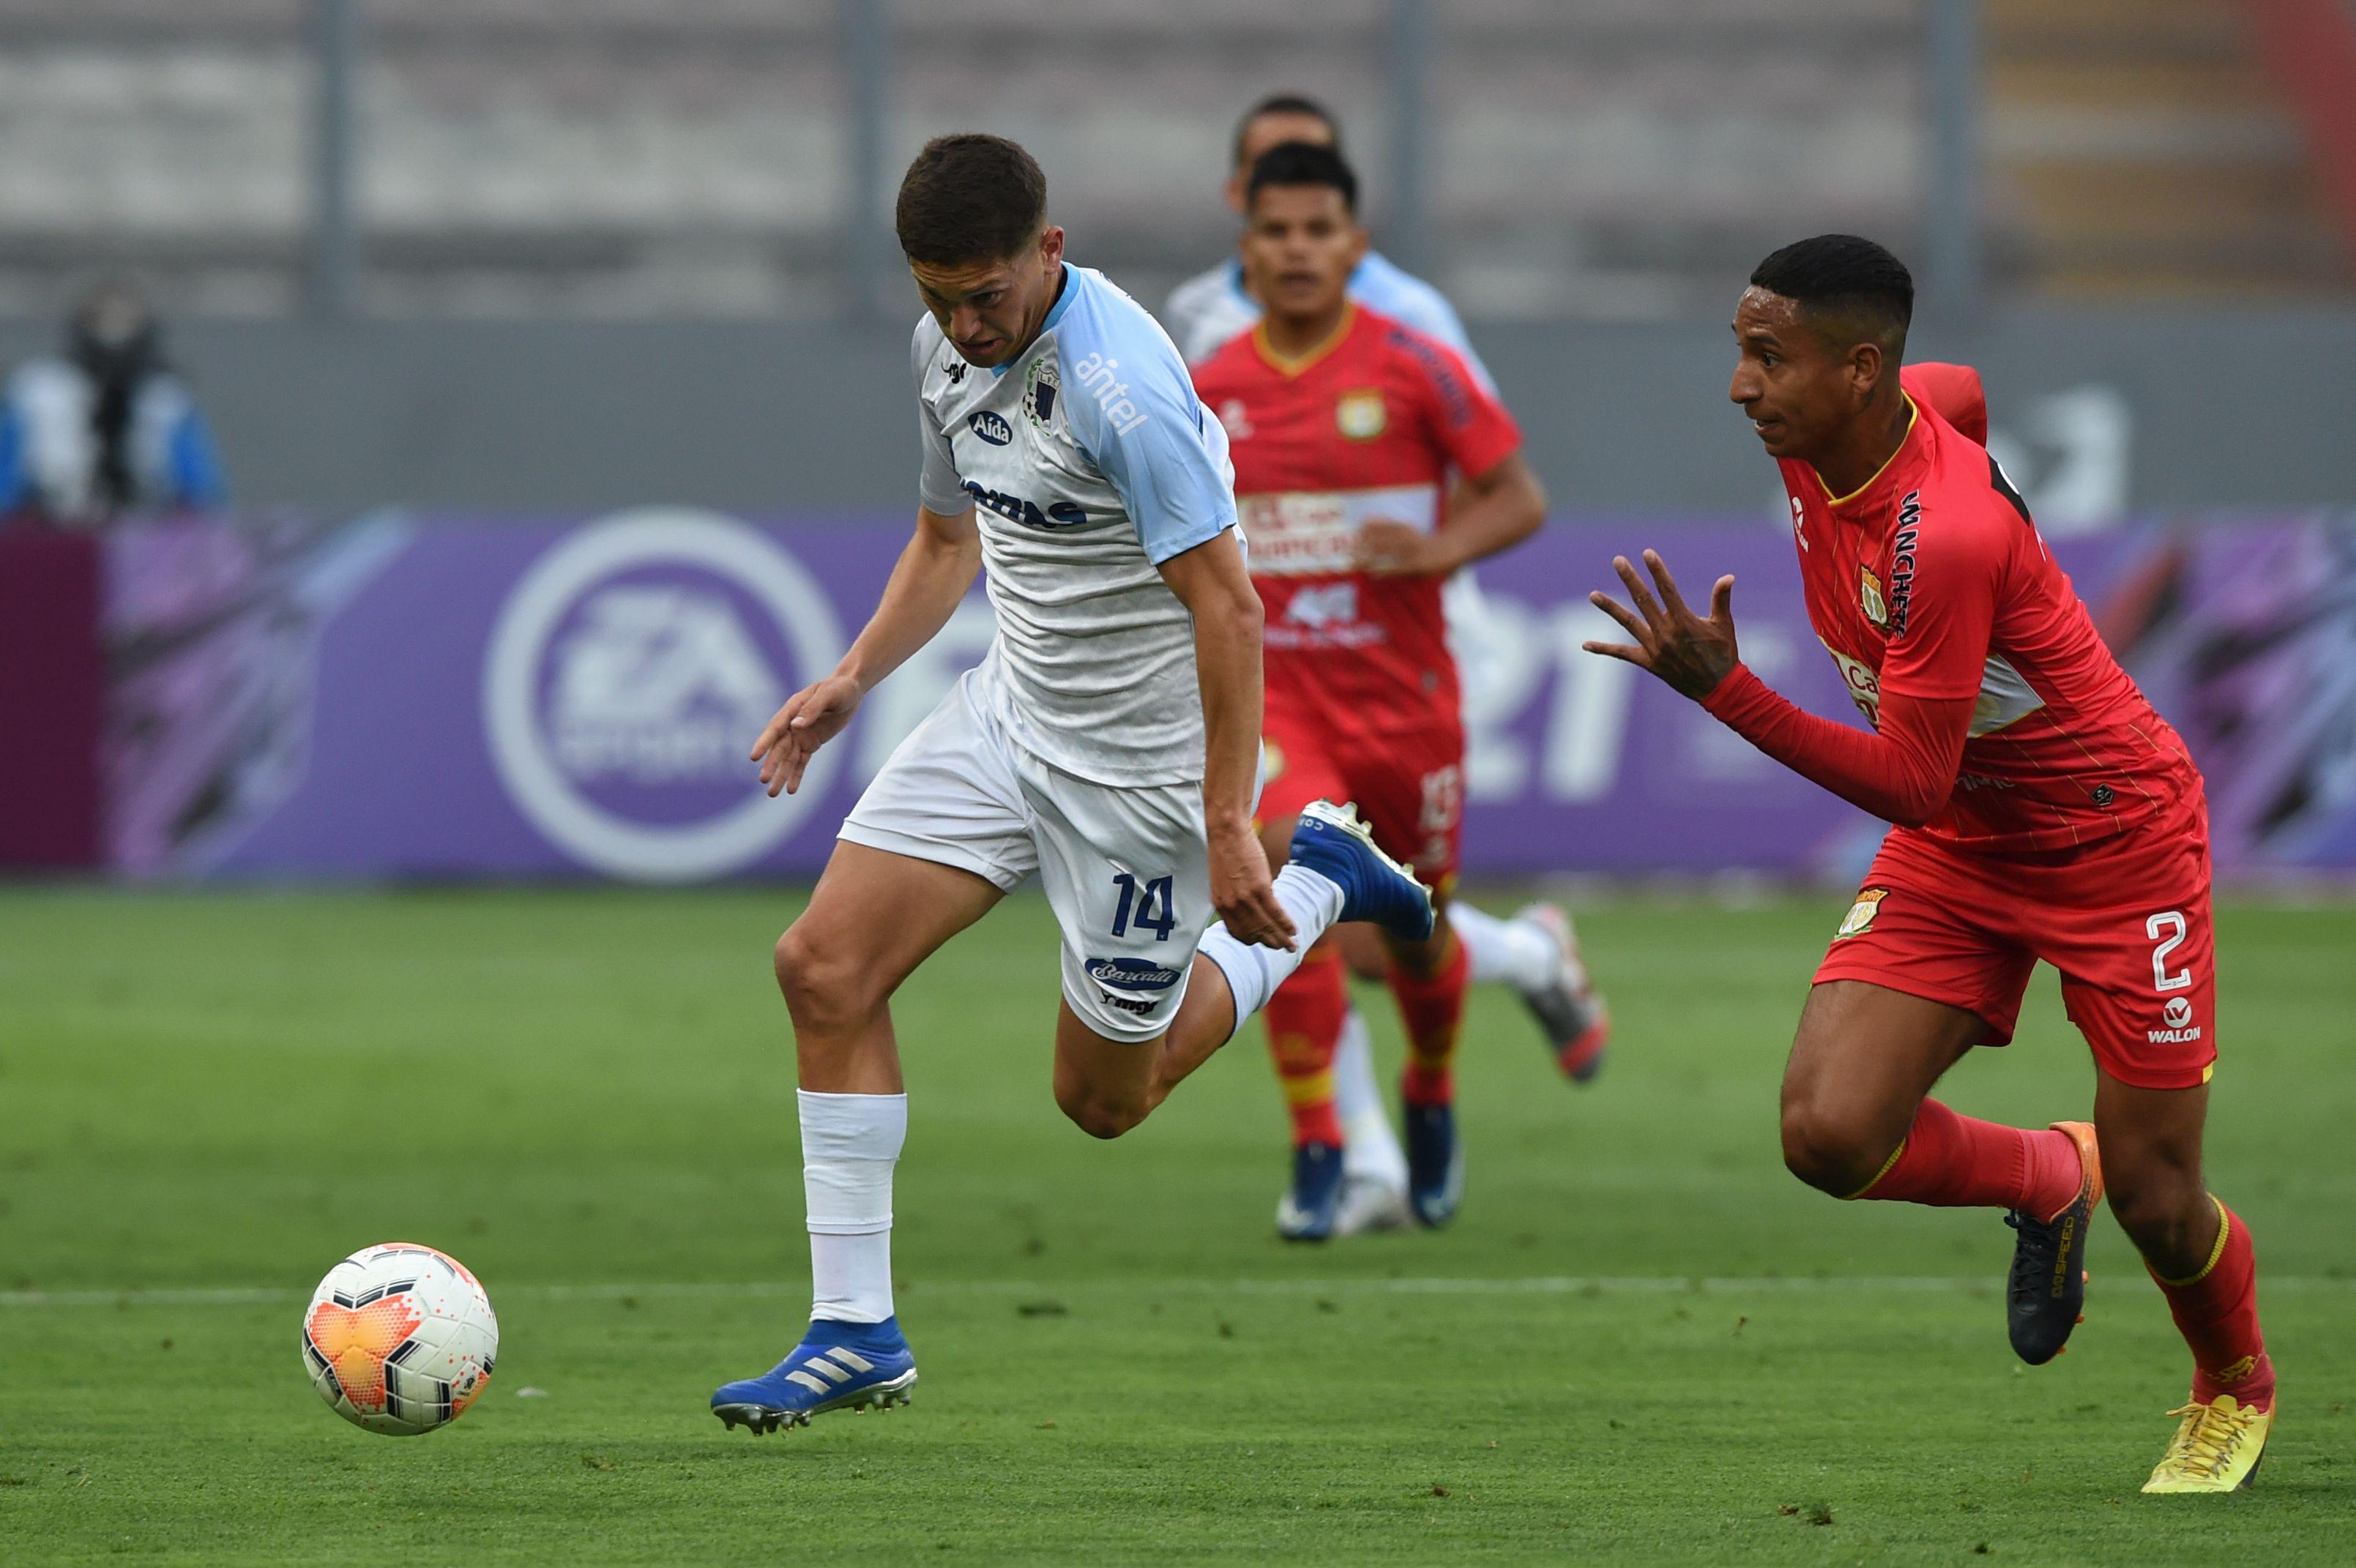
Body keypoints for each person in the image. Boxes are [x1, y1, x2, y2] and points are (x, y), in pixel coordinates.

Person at [709, 134, 1436, 1434]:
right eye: (937, 296)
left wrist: (1225, 822)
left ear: (1049, 251)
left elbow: (1228, 605)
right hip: (1004, 717)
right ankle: (854, 1329)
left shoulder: (1121, 388)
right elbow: (947, 536)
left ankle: (1321, 874)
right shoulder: (947, 343)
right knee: (821, 967)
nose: (963, 324)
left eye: (985, 295)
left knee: (1106, 1100)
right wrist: (853, 677)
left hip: (1138, 780)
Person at [1584, 234, 2272, 1493]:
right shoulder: (1847, 429)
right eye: (1740, 351)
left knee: (2163, 1200)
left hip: (2113, 844)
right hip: (1965, 848)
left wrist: (1724, 690)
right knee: (1828, 1132)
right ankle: (2046, 1171)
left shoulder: (1936, 538)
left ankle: (2230, 1386)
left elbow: (1909, 779)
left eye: (1764, 358)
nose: (1739, 387)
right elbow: (1953, 392)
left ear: (1856, 370)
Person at [1170, 92, 1609, 1236]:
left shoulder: (1415, 360)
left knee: (1415, 935)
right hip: (1283, 701)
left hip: (1407, 703)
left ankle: (1428, 1088)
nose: (1298, 251)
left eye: (1319, 231)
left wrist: (1435, 548)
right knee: (1277, 881)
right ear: (1245, 244)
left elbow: (1519, 494)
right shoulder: (1207, 387)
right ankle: (1319, 1134)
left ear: (1354, 244)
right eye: (1277, 233)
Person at [0, 279, 226, 525]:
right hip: (50, 537)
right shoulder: (37, 393)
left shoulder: (166, 400)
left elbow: (202, 497)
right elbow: (7, 485)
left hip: (145, 541)